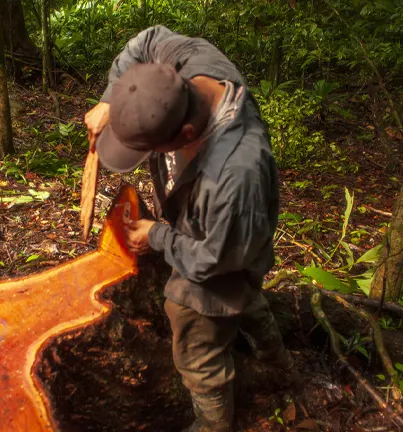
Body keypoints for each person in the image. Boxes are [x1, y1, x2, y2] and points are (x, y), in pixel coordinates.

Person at [83, 25, 296, 432]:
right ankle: (278, 365)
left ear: (185, 135)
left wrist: (157, 236)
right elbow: (144, 41)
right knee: (246, 295)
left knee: (194, 329)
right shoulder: (190, 63)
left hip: (222, 250)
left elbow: (214, 260)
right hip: (223, 232)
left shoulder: (234, 175)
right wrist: (115, 100)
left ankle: (215, 422)